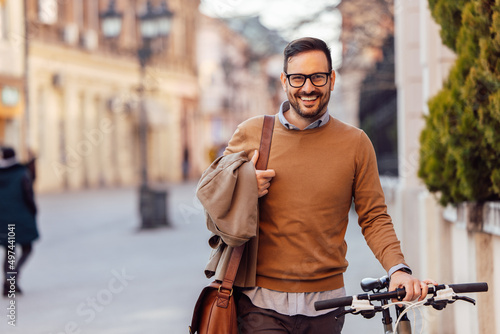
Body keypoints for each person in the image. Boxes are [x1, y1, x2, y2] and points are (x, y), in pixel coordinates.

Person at [217, 37, 435, 333]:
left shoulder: (356, 143)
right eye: (298, 78)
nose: (308, 88)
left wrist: (398, 269)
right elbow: (212, 194)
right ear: (284, 80)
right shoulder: (252, 132)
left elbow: (373, 216)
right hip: (260, 304)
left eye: (318, 77)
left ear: (331, 79)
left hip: (327, 308)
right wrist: (245, 188)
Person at [0, 147, 39, 296]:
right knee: (27, 248)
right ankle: (12, 277)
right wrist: (33, 211)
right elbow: (29, 194)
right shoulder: (21, 173)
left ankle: (8, 283)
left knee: (9, 250)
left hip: (3, 220)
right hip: (20, 218)